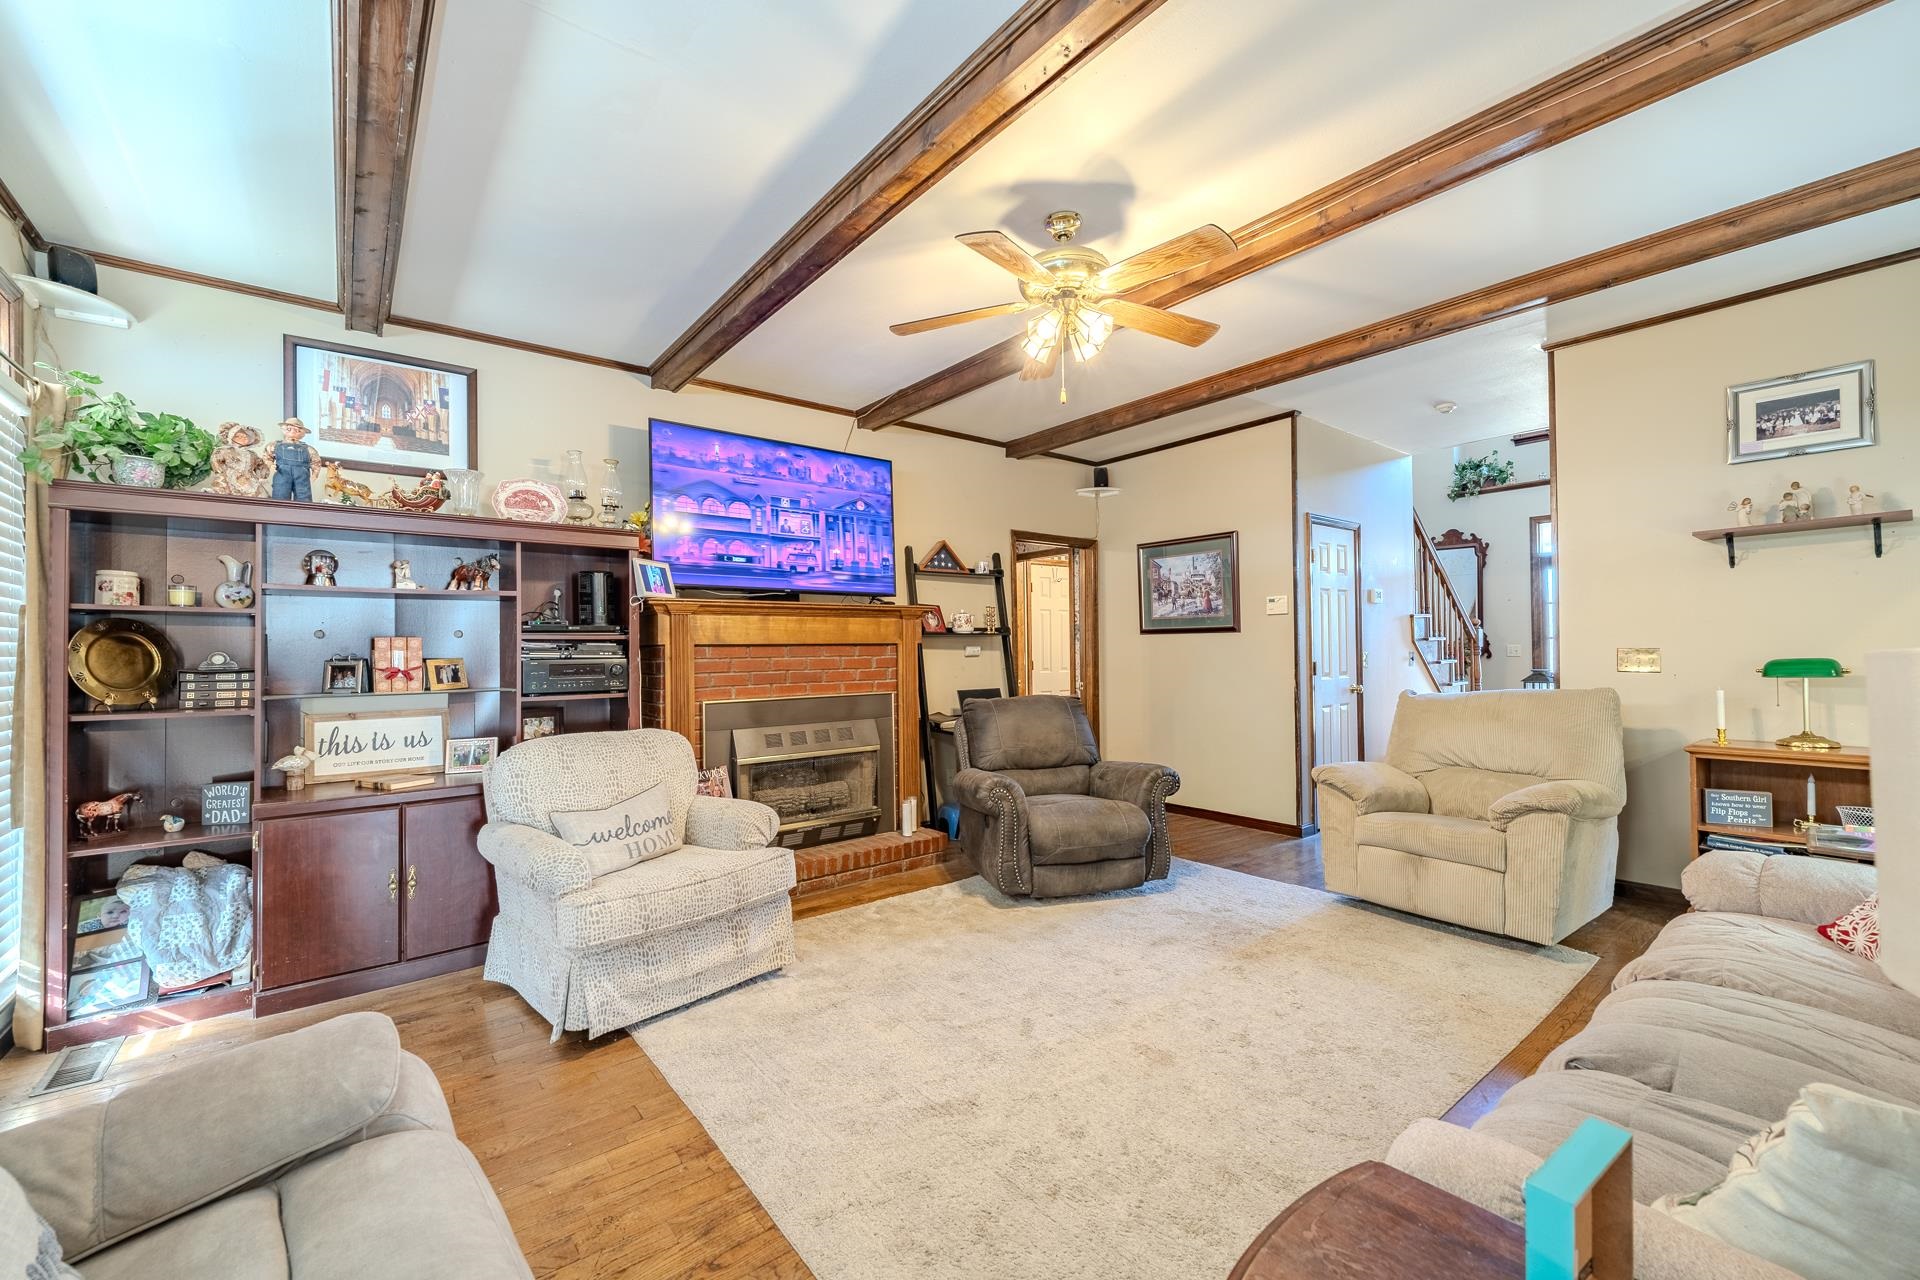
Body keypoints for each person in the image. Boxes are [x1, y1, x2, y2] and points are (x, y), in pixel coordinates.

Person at [272, 417, 322, 502]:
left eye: (297, 430)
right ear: (284, 429)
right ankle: (278, 513)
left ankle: (304, 513)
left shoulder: (308, 449)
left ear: (302, 433)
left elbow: (316, 461)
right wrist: (270, 465)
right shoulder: (275, 445)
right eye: (289, 429)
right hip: (282, 472)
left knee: (303, 496)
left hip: (302, 474)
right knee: (280, 494)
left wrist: (315, 473)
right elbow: (267, 456)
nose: (293, 431)